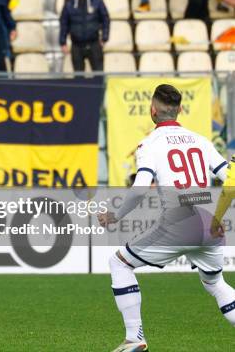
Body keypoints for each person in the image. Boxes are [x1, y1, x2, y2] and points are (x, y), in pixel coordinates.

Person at [98, 84, 235, 352]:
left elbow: (140, 190)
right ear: (180, 110)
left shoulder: (149, 144)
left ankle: (134, 338)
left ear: (152, 110)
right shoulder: (200, 140)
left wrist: (115, 215)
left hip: (178, 221)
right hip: (208, 223)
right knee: (216, 283)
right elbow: (230, 178)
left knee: (119, 263)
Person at [59, 0, 110, 72]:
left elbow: (105, 19)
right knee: (78, 78)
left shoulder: (97, 1)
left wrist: (104, 37)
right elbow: (64, 23)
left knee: (98, 76)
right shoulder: (69, 3)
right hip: (76, 45)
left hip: (94, 43)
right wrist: (63, 42)